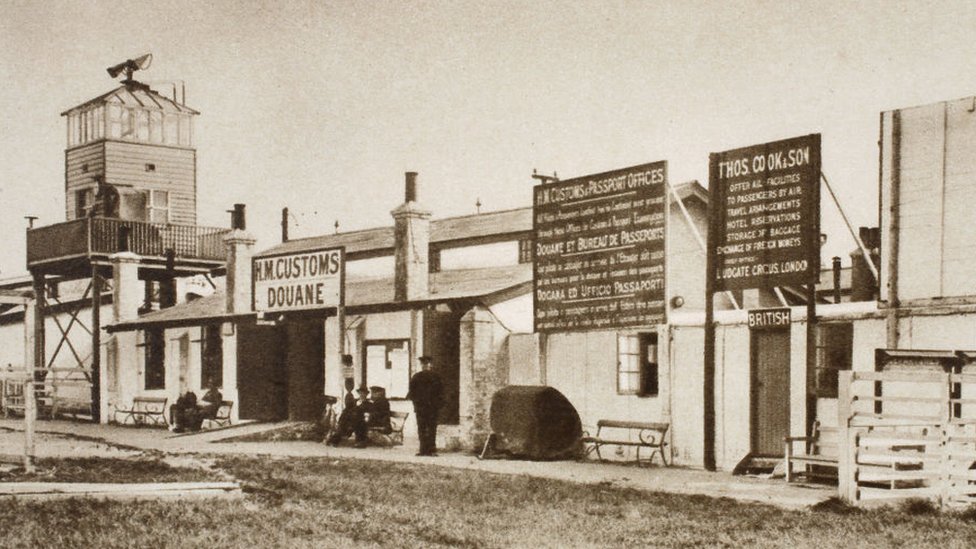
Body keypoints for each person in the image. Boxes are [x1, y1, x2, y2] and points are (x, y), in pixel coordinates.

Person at [407, 355, 443, 456]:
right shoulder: (417, 377)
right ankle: (423, 449)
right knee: (422, 428)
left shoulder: (436, 377)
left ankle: (431, 450)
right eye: (423, 364)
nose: (425, 366)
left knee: (431, 428)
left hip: (431, 408)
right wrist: (416, 404)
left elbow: (440, 392)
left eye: (427, 364)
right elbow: (411, 393)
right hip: (422, 408)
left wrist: (437, 405)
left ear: (430, 364)